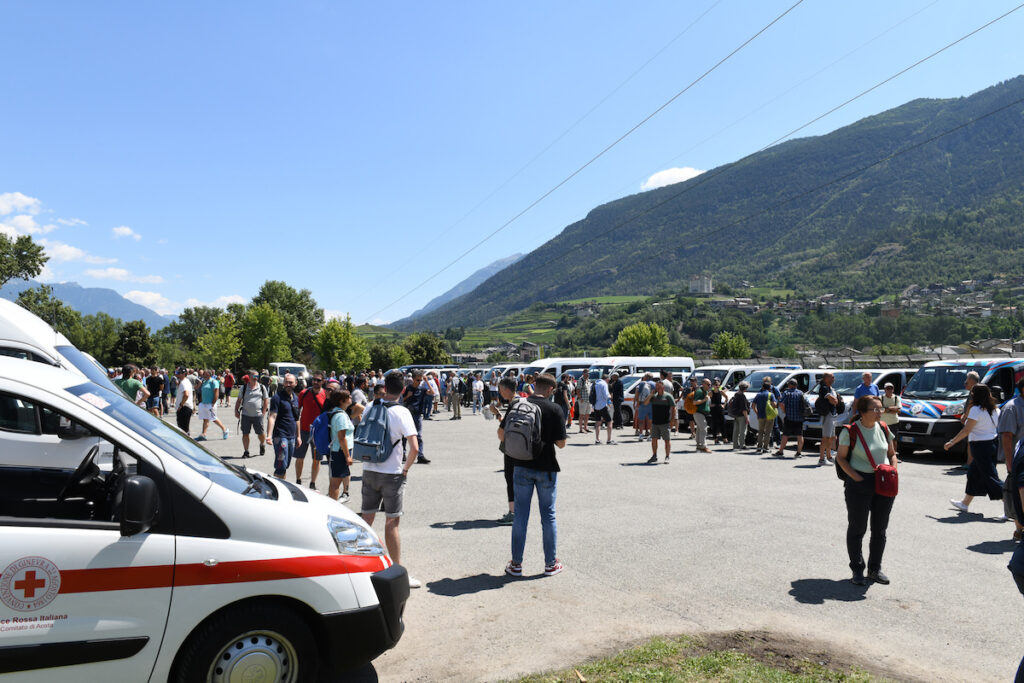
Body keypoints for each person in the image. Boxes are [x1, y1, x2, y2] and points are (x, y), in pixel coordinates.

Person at [502, 373, 567, 578]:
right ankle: (550, 564)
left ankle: (516, 564)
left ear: (535, 385)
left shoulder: (518, 404)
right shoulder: (554, 409)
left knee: (520, 516)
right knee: (548, 516)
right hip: (546, 468)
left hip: (520, 466)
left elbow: (501, 433)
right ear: (550, 389)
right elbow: (561, 443)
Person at [361, 371, 421, 588]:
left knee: (366, 519)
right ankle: (397, 572)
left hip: (369, 468)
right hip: (392, 472)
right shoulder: (402, 412)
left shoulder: (370, 406)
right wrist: (405, 469)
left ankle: (361, 566)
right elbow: (414, 447)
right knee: (391, 521)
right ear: (403, 390)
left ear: (384, 387)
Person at [836, 395, 899, 585]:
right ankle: (857, 569)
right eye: (875, 409)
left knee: (879, 529)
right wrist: (856, 478)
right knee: (857, 528)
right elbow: (841, 458)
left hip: (883, 482)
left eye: (881, 409)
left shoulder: (884, 428)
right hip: (859, 484)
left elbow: (892, 453)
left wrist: (893, 469)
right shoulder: (850, 431)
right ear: (862, 412)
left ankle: (874, 569)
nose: (880, 412)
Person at [948, 384, 1003, 515]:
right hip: (991, 444)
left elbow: (966, 430)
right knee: (973, 474)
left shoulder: (976, 410)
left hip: (980, 446)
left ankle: (1011, 506)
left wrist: (951, 442)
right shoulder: (995, 409)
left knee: (991, 477)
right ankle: (964, 503)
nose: (970, 396)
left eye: (972, 394)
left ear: (975, 395)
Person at [998, 377, 1024, 541]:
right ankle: (1019, 528)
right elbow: (1007, 436)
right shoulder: (1012, 408)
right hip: (1019, 461)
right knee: (1017, 495)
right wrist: (1010, 464)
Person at [493, 377, 520, 525]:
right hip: (522, 447)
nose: (500, 393)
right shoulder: (522, 401)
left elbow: (502, 431)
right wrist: (498, 413)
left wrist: (497, 415)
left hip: (511, 448)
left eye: (500, 390)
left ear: (506, 389)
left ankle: (513, 512)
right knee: (519, 479)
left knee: (510, 479)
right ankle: (519, 511)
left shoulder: (512, 405)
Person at [295, 374, 327, 489]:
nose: (315, 382)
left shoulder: (325, 395)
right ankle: (298, 481)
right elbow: (296, 411)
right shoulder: (304, 393)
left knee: (316, 459)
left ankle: (312, 483)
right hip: (304, 430)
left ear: (322, 381)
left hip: (319, 432)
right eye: (314, 380)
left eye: (318, 380)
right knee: (300, 458)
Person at [266, 373, 300, 480]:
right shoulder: (277, 397)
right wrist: (269, 435)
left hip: (292, 436)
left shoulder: (296, 398)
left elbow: (297, 419)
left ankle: (282, 486)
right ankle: (276, 490)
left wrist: (298, 436)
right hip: (280, 436)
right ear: (283, 383)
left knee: (285, 466)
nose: (288, 384)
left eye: (290, 382)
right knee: (281, 466)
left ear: (295, 383)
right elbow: (272, 416)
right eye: (286, 382)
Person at [327, 389, 354, 503]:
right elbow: (341, 437)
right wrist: (347, 456)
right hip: (339, 452)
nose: (351, 398)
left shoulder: (338, 412)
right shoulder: (341, 416)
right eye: (349, 397)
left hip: (338, 451)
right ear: (342, 400)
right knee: (335, 484)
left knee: (335, 482)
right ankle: (332, 509)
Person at [234, 369, 268, 458]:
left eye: (257, 376)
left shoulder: (262, 387)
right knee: (245, 433)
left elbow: (266, 401)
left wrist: (263, 412)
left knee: (260, 433)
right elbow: (238, 401)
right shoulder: (244, 388)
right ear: (249, 377)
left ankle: (262, 444)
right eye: (254, 376)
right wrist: (236, 410)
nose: (256, 378)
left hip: (258, 415)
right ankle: (246, 451)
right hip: (245, 415)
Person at [400, 370, 432, 463]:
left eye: (420, 380)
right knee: (405, 435)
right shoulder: (408, 388)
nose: (419, 382)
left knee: (418, 436)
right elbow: (401, 401)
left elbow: (432, 392)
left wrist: (426, 381)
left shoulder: (422, 389)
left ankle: (420, 455)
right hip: (408, 414)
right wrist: (407, 396)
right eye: (418, 380)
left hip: (417, 415)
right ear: (413, 379)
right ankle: (403, 454)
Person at [645, 378, 676, 464]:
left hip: (665, 422)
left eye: (659, 386)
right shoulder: (654, 396)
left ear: (663, 386)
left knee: (667, 440)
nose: (657, 387)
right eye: (656, 386)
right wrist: (651, 394)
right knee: (654, 439)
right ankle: (654, 456)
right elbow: (645, 403)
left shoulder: (668, 396)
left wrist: (672, 421)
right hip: (655, 422)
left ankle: (667, 456)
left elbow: (673, 408)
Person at [776, 378, 806, 458]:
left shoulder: (787, 393)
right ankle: (798, 452)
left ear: (790, 385)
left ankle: (781, 451)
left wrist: (785, 411)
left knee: (785, 435)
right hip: (799, 418)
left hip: (789, 417)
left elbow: (781, 403)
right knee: (800, 435)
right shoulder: (801, 393)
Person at [196, 369, 229, 441]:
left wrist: (213, 403)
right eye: (203, 373)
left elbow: (216, 393)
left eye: (204, 373)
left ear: (208, 374)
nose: (203, 375)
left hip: (211, 404)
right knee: (205, 419)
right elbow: (203, 392)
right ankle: (203, 434)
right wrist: (201, 402)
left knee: (213, 418)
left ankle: (224, 430)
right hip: (204, 403)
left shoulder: (214, 382)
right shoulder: (204, 382)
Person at [817, 372, 840, 465]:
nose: (834, 379)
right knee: (825, 437)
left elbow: (836, 401)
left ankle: (829, 456)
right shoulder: (824, 388)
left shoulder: (830, 388)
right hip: (827, 415)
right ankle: (822, 459)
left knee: (831, 437)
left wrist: (834, 400)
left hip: (833, 415)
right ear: (826, 378)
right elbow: (834, 400)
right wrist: (834, 400)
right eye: (832, 377)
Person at [752, 379, 777, 455]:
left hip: (760, 415)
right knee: (767, 432)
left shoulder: (758, 394)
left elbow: (753, 406)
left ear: (762, 387)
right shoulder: (771, 394)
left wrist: (757, 413)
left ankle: (759, 447)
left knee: (760, 431)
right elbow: (774, 404)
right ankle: (765, 448)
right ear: (769, 388)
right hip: (769, 415)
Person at [728, 381, 750, 450]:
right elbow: (744, 409)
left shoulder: (736, 394)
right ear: (745, 389)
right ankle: (742, 445)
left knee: (736, 431)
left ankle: (735, 445)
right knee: (742, 431)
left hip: (735, 415)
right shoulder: (742, 396)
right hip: (741, 415)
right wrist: (747, 418)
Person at [592, 373, 614, 444]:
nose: (608, 382)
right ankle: (609, 440)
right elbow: (606, 395)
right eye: (608, 380)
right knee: (609, 421)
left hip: (595, 405)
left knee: (598, 422)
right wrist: (610, 398)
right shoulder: (604, 384)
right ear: (607, 379)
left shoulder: (595, 383)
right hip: (603, 405)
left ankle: (597, 439)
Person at [692, 378, 712, 453]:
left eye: (710, 384)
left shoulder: (705, 391)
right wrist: (704, 400)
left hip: (702, 413)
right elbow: (694, 402)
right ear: (703, 384)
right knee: (703, 429)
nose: (710, 386)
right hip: (698, 413)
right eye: (708, 384)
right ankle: (703, 446)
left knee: (700, 429)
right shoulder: (699, 391)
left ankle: (699, 445)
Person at [173, 367, 194, 435]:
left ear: (184, 374)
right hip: (184, 407)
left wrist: (181, 405)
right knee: (183, 429)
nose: (177, 375)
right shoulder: (183, 382)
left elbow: (186, 394)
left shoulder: (184, 382)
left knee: (183, 430)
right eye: (177, 373)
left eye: (179, 373)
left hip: (184, 408)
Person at [634, 374, 653, 440]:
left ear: (646, 377)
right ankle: (650, 435)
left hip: (643, 404)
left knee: (641, 420)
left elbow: (638, 394)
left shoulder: (642, 383)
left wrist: (637, 403)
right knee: (651, 420)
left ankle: (641, 435)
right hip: (651, 404)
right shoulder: (654, 384)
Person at [708, 378, 727, 445]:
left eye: (718, 385)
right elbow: (706, 399)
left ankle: (724, 438)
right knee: (715, 424)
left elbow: (727, 398)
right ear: (713, 386)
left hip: (719, 408)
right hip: (714, 409)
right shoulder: (711, 392)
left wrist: (724, 405)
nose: (717, 386)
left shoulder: (721, 392)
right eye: (716, 385)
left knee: (723, 422)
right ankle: (715, 439)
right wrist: (710, 405)